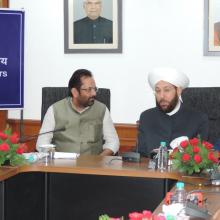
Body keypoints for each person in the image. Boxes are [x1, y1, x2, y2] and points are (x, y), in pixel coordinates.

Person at [36, 69, 119, 156]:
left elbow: (113, 142)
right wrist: (56, 158)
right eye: (89, 90)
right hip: (61, 166)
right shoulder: (54, 110)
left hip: (93, 166)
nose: (94, 93)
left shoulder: (102, 109)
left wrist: (99, 160)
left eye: (94, 89)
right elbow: (41, 143)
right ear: (75, 92)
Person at [137, 67, 209, 157]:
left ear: (178, 91)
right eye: (158, 91)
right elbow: (141, 154)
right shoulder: (146, 117)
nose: (162, 96)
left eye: (166, 90)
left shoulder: (198, 119)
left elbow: (201, 158)